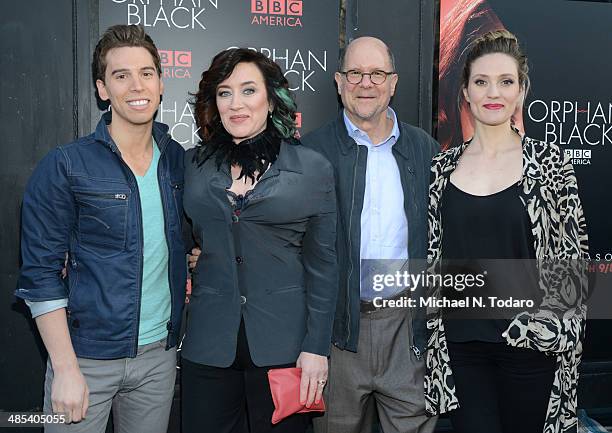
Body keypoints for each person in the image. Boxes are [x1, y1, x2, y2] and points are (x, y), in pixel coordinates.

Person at [16, 25, 186, 432]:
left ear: (161, 83)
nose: (136, 85)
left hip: (157, 360)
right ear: (102, 89)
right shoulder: (66, 165)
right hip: (85, 360)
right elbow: (40, 275)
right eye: (120, 75)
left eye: (146, 72)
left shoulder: (178, 161)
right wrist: (65, 369)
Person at [424, 30, 589, 433]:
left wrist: (547, 331)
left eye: (505, 81)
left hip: (529, 348)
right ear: (464, 91)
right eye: (481, 82)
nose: (492, 92)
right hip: (461, 347)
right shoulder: (440, 169)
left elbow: (572, 264)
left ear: (521, 91)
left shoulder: (550, 164)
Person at [180, 48, 338, 433]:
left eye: (249, 90)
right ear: (213, 103)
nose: (236, 104)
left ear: (271, 99)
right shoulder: (192, 166)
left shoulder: (312, 168)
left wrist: (317, 347)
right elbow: (174, 235)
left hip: (285, 348)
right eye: (225, 92)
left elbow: (324, 265)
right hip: (208, 343)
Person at [300, 36, 440, 433]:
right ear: (339, 82)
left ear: (393, 82)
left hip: (407, 330)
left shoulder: (425, 150)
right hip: (338, 335)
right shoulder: (311, 153)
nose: (366, 83)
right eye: (355, 73)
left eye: (377, 73)